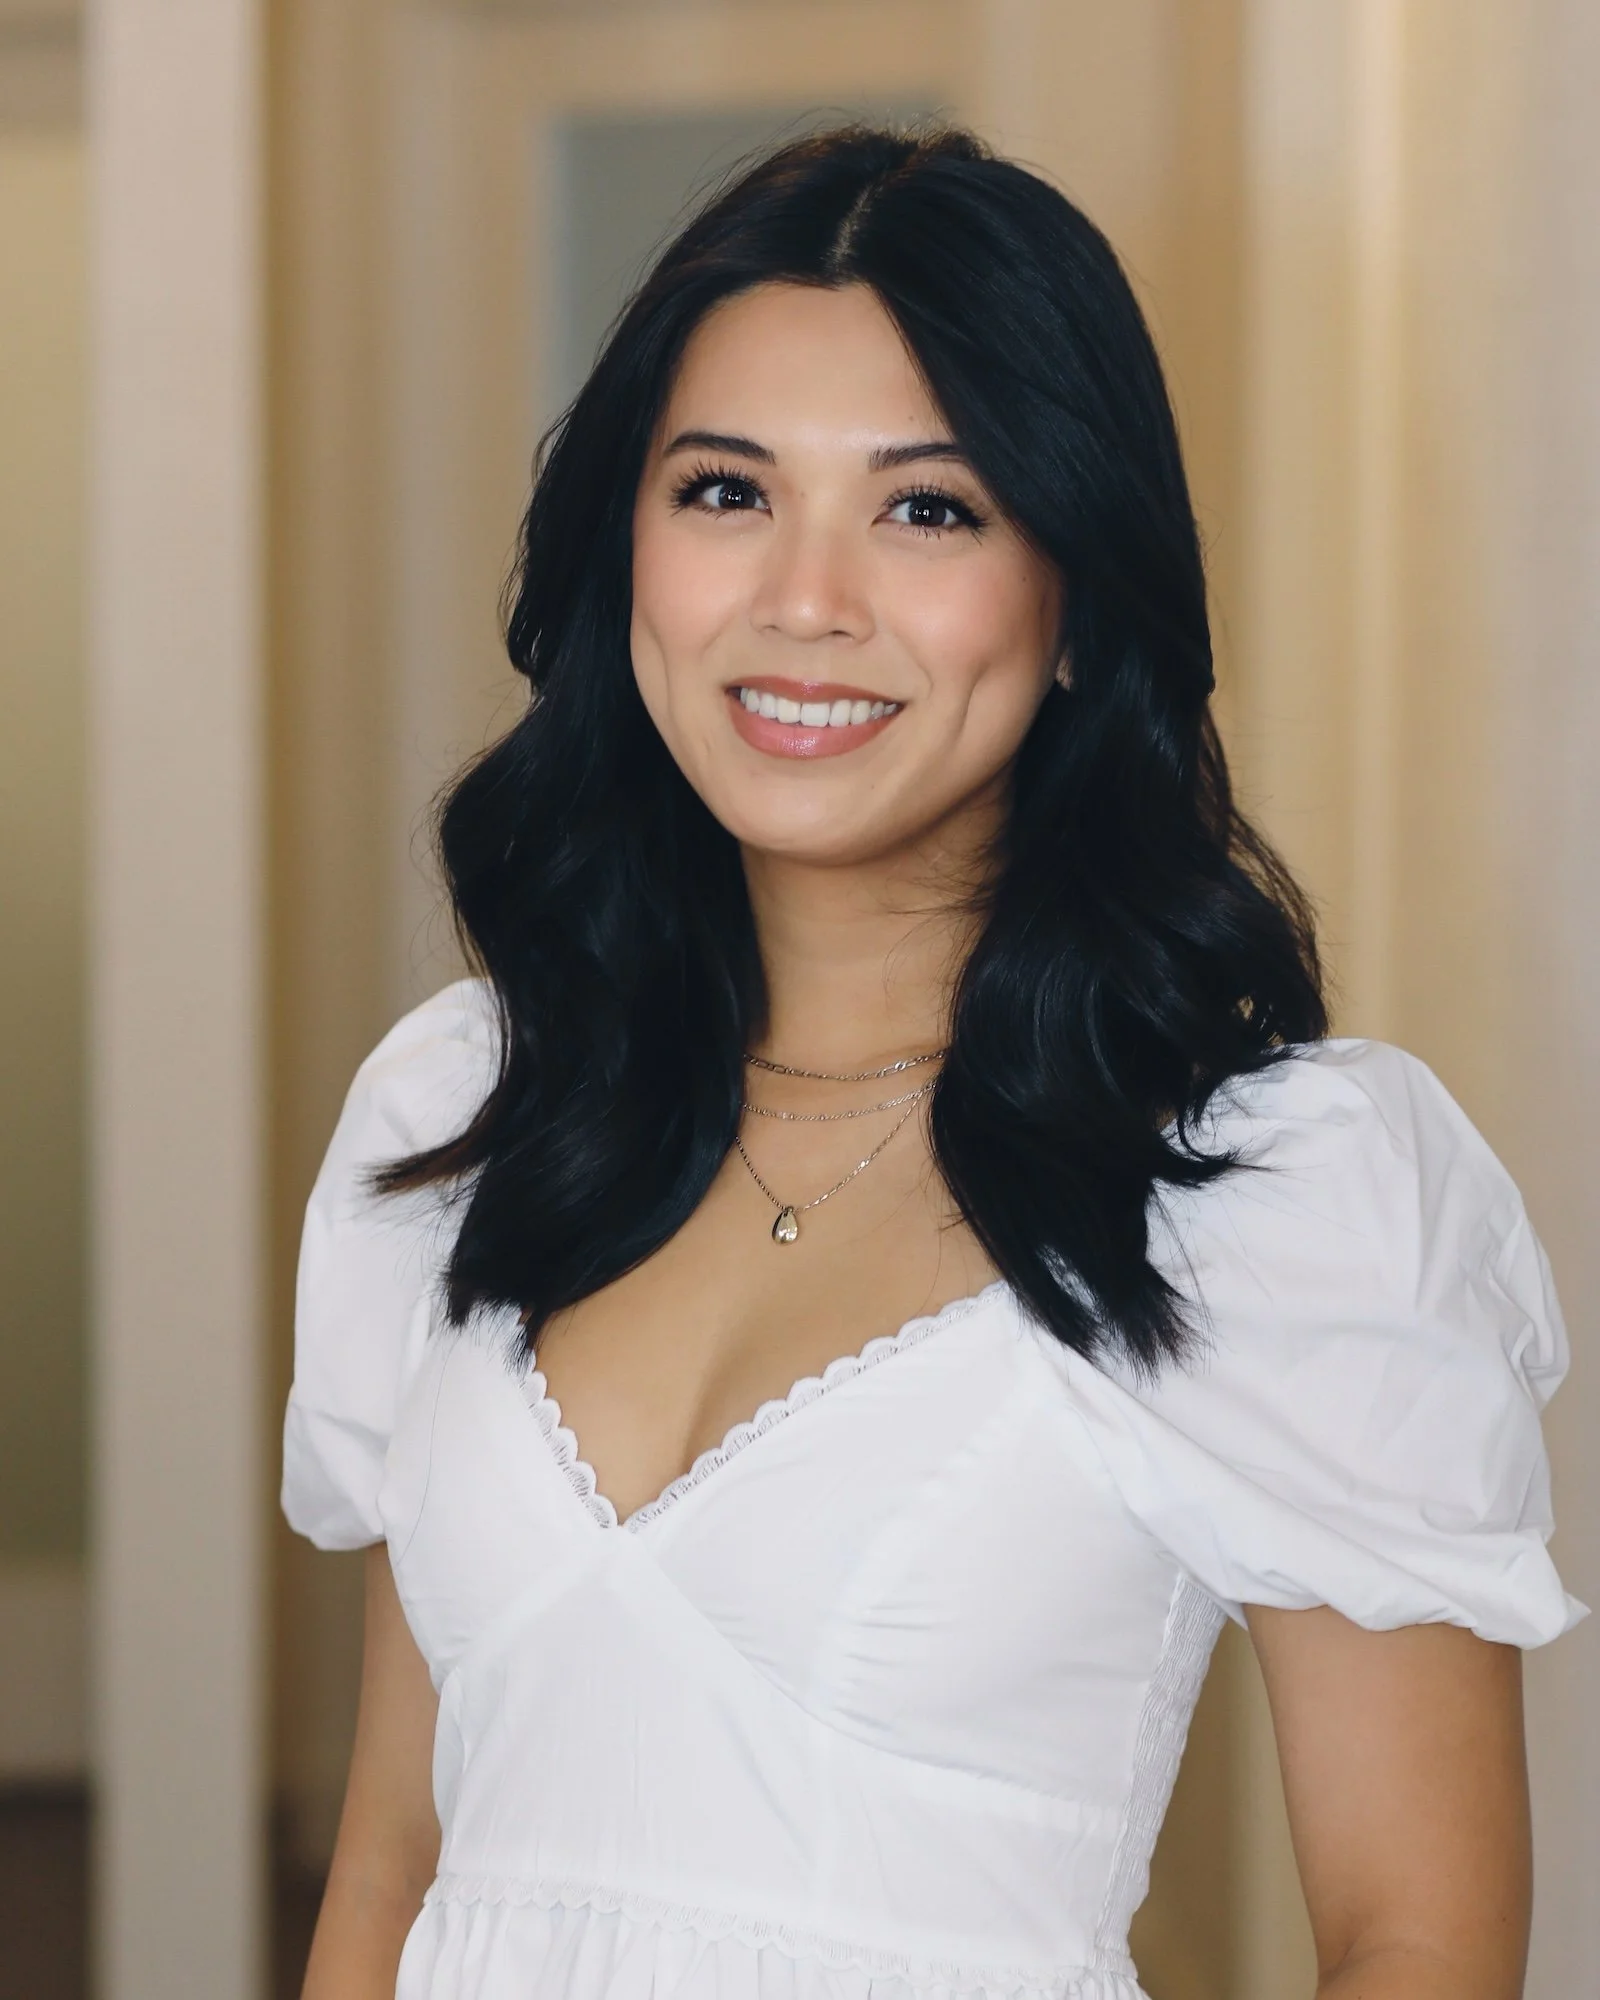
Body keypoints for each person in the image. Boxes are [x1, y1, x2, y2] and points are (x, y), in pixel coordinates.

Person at [282, 126, 1582, 2000]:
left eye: (929, 509)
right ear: (622, 550)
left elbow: (1422, 1940)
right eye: (725, 491)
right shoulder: (479, 1114)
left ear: (1077, 598)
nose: (805, 600)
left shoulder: (1265, 1197)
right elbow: (397, 1865)